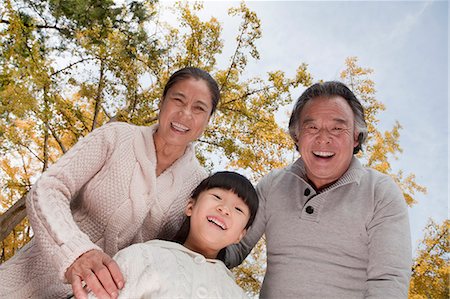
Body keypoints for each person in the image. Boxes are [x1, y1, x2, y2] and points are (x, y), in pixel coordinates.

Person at [0, 67, 220, 299]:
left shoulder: (200, 185)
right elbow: (48, 189)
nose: (185, 114)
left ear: (208, 119)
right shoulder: (116, 137)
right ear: (162, 102)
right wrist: (77, 252)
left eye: (199, 108)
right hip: (22, 284)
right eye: (178, 100)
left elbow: (188, 255)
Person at [223, 81, 412, 298]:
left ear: (356, 137)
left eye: (337, 128)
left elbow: (388, 282)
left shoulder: (381, 192)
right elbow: (234, 248)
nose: (323, 138)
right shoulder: (273, 184)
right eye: (311, 127)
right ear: (297, 136)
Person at [87, 171, 258, 299]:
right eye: (217, 196)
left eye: (238, 209)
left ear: (240, 236)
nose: (225, 209)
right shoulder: (142, 257)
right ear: (190, 206)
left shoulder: (236, 293)